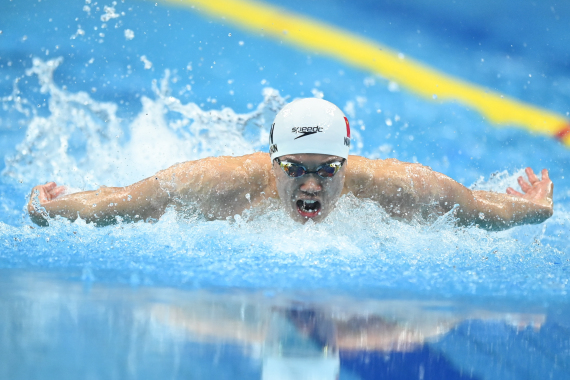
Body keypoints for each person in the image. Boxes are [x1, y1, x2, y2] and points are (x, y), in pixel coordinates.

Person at [27, 98, 554, 230]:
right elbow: (123, 202)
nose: (310, 184)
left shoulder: (399, 187)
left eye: (327, 170)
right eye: (294, 168)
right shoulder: (217, 183)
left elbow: (480, 209)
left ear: (347, 166)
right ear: (272, 161)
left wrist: (532, 210)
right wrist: (52, 209)